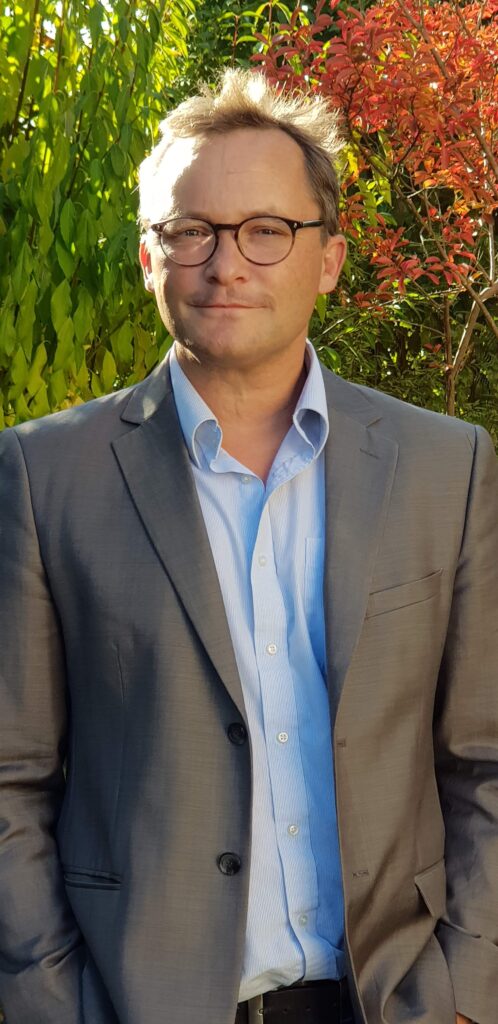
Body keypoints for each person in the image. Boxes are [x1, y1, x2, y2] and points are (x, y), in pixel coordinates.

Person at [0, 68, 496, 1024]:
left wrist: (468, 989)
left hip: (395, 999)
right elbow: (10, 781)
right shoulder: (41, 477)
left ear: (330, 259)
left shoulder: (448, 468)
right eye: (191, 230)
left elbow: (484, 755)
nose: (226, 264)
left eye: (267, 230)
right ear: (149, 257)